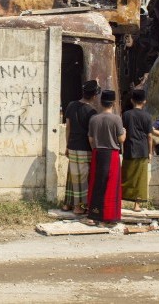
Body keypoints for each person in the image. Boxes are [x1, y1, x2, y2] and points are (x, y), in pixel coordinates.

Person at [84, 89, 126, 225]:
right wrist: (124, 132)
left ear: (101, 103)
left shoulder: (94, 118)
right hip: (112, 154)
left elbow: (90, 139)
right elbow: (121, 139)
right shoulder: (116, 119)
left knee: (96, 184)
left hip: (97, 153)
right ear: (113, 103)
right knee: (111, 186)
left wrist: (94, 149)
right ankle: (109, 217)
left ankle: (93, 215)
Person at [62, 79, 100, 215]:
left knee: (72, 176)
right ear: (94, 95)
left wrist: (67, 145)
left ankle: (67, 204)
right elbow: (91, 136)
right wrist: (95, 149)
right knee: (82, 178)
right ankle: (78, 207)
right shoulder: (92, 112)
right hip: (85, 149)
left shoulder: (71, 105)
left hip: (72, 146)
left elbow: (68, 127)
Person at [121, 89, 154, 212]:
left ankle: (120, 201)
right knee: (140, 178)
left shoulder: (126, 115)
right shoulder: (147, 116)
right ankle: (137, 205)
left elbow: (122, 131)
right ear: (144, 101)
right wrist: (150, 152)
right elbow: (150, 136)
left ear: (131, 100)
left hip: (129, 148)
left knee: (126, 176)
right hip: (142, 149)